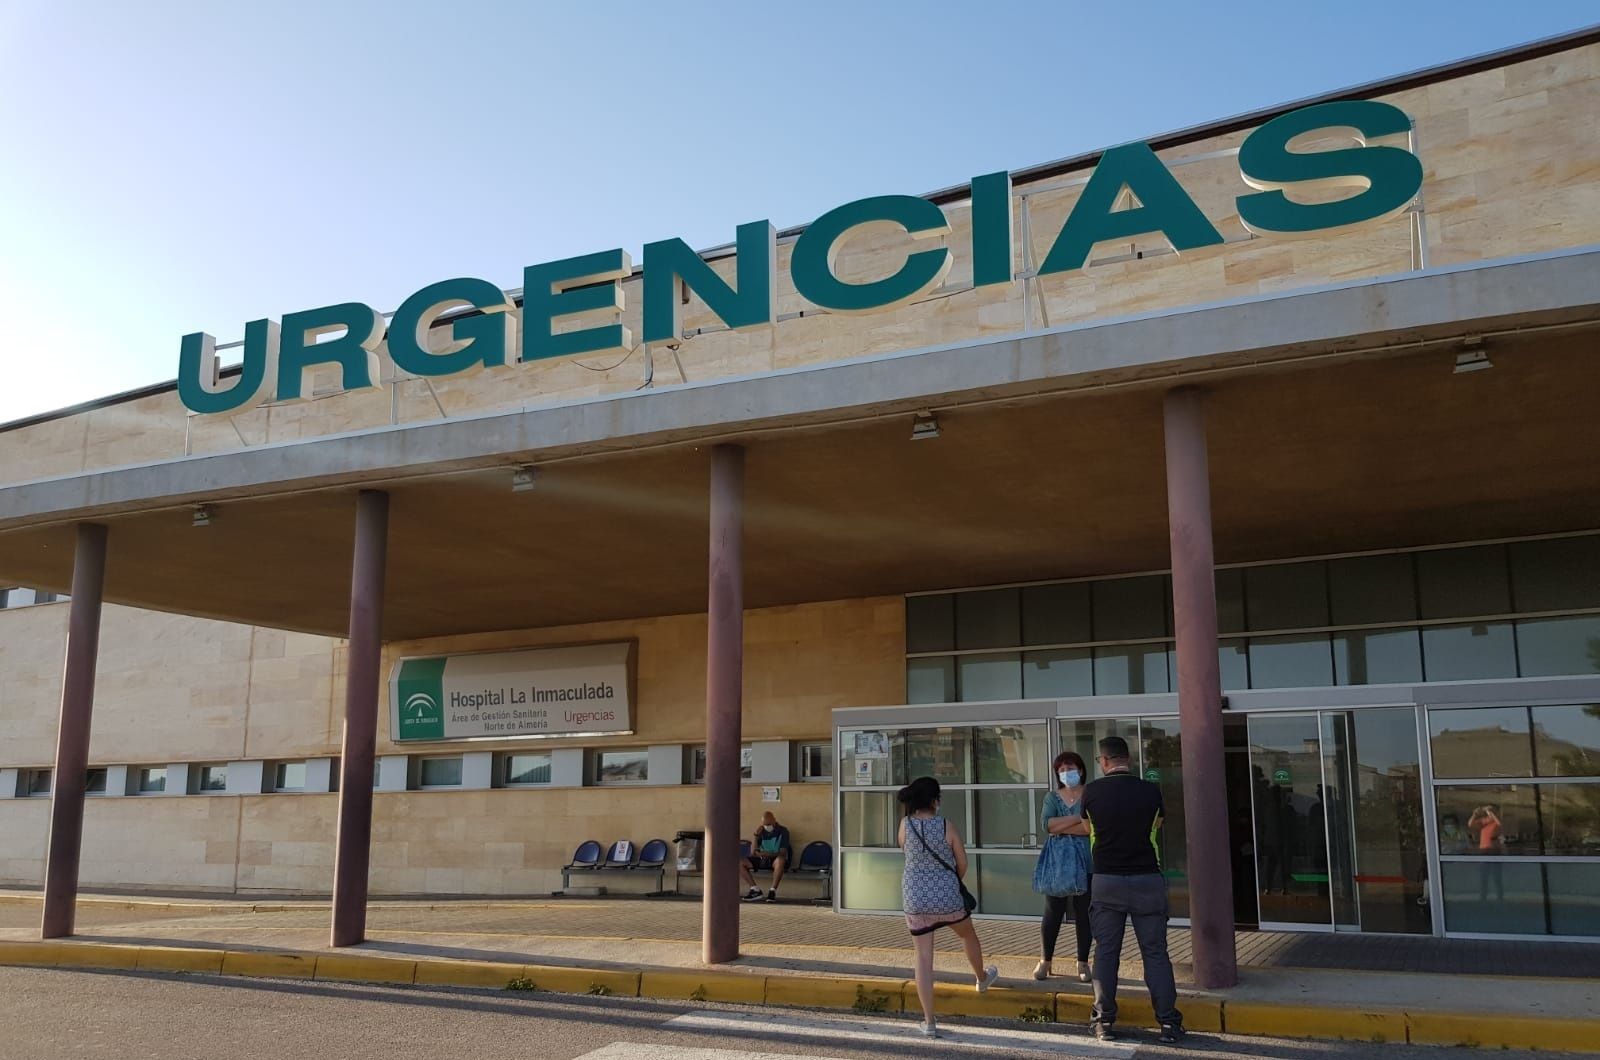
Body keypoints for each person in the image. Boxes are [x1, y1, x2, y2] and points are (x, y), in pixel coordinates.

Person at [1081, 736, 1184, 1045]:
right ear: (1128, 759)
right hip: (1147, 880)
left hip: (1107, 880)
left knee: (1107, 953)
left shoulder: (1092, 791)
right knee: (1155, 953)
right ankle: (1168, 1023)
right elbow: (1158, 824)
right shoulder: (1150, 791)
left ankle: (1104, 1022)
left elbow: (1088, 828)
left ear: (1104, 761)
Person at [898, 775, 999, 1039]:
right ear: (934, 801)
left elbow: (904, 852)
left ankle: (929, 1021)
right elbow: (962, 862)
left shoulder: (905, 825)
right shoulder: (946, 826)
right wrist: (949, 882)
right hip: (947, 897)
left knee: (922, 957)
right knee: (967, 934)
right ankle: (981, 978)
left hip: (915, 899)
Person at [1035, 750, 1092, 983]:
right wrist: (1079, 819)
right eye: (1062, 770)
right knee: (1052, 913)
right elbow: (1047, 825)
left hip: (1087, 862)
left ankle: (1083, 962)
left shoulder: (1091, 793)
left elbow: (1091, 828)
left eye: (1071, 768)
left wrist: (1064, 825)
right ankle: (1045, 960)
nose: (1067, 773)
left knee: (1084, 913)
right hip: (1057, 864)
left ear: (1081, 770)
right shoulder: (1052, 797)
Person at [740, 811, 792, 903]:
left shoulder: (783, 831)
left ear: (774, 821)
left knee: (780, 860)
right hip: (762, 858)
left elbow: (782, 852)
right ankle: (755, 889)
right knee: (739, 862)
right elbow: (752, 852)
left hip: (775, 858)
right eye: (765, 824)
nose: (767, 826)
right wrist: (756, 836)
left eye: (768, 824)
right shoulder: (762, 831)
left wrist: (767, 854)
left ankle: (772, 891)